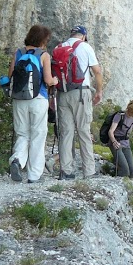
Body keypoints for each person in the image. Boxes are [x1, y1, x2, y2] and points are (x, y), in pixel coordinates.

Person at [8, 25, 58, 184]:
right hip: (38, 99)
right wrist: (55, 81)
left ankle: (17, 160)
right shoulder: (44, 55)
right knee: (38, 135)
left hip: (19, 99)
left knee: (23, 133)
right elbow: (48, 80)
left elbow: (10, 76)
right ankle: (34, 175)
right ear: (43, 40)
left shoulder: (18, 52)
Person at [55, 25, 103, 179]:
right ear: (83, 36)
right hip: (81, 92)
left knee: (66, 133)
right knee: (83, 130)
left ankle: (66, 170)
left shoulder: (59, 47)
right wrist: (99, 91)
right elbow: (97, 71)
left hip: (62, 94)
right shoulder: (85, 47)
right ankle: (89, 171)